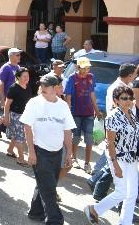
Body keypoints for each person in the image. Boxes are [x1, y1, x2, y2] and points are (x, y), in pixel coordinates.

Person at [20, 74, 75, 224]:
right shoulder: (34, 103)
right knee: (49, 189)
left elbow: (67, 131)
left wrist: (69, 153)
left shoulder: (63, 105)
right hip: (40, 150)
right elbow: (27, 126)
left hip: (57, 152)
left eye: (47, 85)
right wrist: (31, 151)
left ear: (56, 88)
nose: (43, 88)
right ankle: (55, 220)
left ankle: (35, 212)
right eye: (42, 85)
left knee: (45, 183)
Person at [84, 86, 139, 225]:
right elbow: (110, 143)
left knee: (132, 193)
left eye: (130, 98)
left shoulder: (131, 114)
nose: (128, 101)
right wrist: (115, 165)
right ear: (116, 100)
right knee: (121, 192)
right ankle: (94, 209)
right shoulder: (113, 116)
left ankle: (125, 222)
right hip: (118, 158)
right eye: (124, 98)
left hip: (131, 158)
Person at [64, 56, 102, 174]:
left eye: (87, 68)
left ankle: (87, 163)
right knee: (75, 137)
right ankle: (74, 158)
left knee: (89, 138)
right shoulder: (72, 78)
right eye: (83, 68)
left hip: (89, 112)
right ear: (78, 67)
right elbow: (68, 97)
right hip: (75, 112)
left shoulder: (91, 77)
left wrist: (97, 110)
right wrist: (69, 112)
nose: (86, 70)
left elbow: (92, 94)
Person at [4, 67, 32, 166]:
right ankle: (21, 159)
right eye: (24, 76)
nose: (26, 78)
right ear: (18, 77)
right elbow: (7, 104)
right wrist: (6, 117)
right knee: (20, 137)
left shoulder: (27, 86)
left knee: (17, 135)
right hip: (16, 116)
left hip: (25, 115)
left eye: (27, 76)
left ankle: (10, 150)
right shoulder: (13, 88)